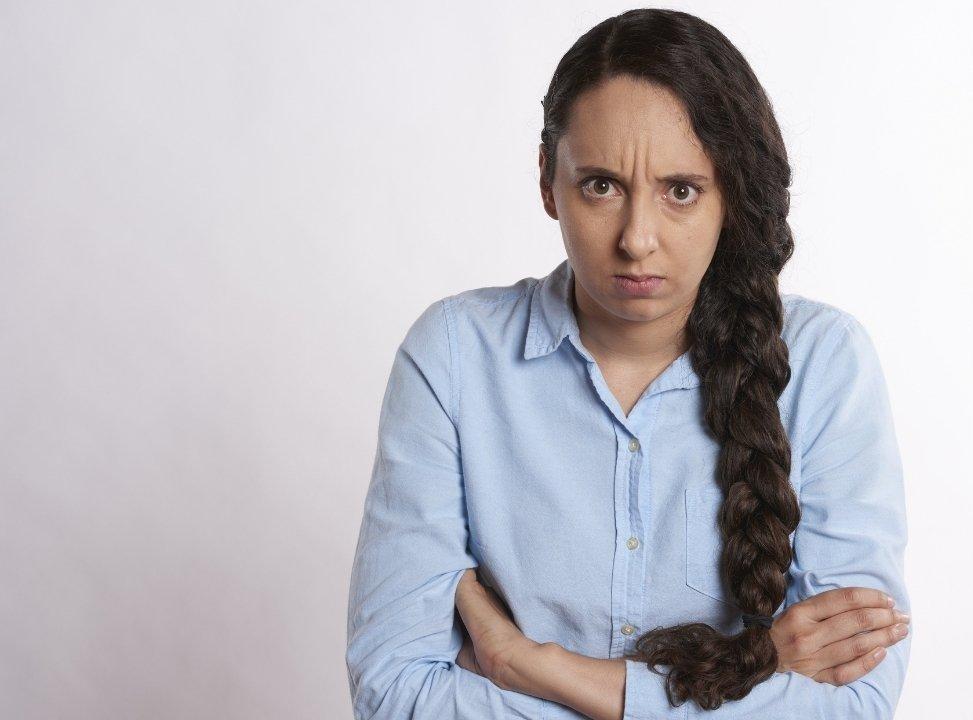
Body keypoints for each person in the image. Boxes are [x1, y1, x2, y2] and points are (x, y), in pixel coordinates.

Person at [345, 8, 911, 720]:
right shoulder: (455, 356)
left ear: (730, 195)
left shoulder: (825, 365)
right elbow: (395, 693)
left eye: (681, 191)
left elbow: (855, 702)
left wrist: (535, 667)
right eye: (602, 186)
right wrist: (749, 681)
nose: (637, 239)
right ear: (548, 181)